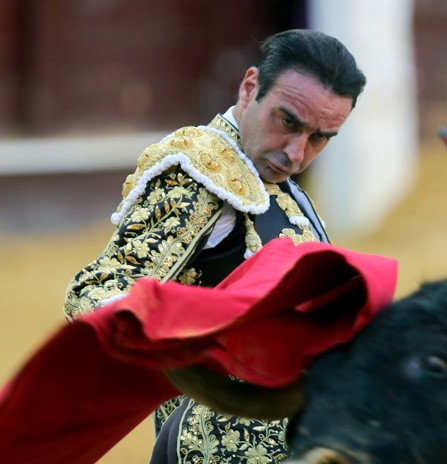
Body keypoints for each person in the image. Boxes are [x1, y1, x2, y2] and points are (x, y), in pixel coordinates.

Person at [64, 29, 366, 463]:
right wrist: (194, 341)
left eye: (320, 137)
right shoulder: (200, 175)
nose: (297, 152)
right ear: (249, 88)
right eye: (288, 123)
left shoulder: (279, 186)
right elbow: (96, 291)